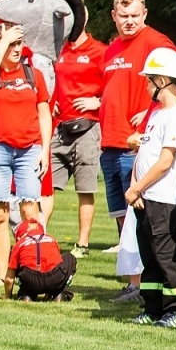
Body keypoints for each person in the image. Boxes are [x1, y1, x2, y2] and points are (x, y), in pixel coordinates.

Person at [98, 0, 176, 303]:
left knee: (141, 219)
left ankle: (146, 284)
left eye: (135, 15)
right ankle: (135, 281)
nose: (129, 21)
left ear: (145, 14)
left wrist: (151, 110)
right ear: (114, 16)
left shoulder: (156, 42)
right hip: (110, 142)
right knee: (123, 218)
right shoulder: (111, 49)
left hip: (137, 145)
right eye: (123, 16)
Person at [0, 22, 53, 292]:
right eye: (10, 44)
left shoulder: (34, 75)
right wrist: (4, 39)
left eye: (19, 43)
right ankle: (2, 275)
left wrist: (45, 149)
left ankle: (32, 268)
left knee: (30, 212)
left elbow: (44, 114)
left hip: (29, 149)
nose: (16, 48)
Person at [123, 49, 176, 329]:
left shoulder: (175, 115)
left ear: (162, 81)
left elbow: (165, 161)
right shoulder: (156, 114)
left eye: (149, 80)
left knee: (168, 256)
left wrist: (138, 187)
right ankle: (152, 307)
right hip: (146, 196)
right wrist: (136, 188)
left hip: (164, 198)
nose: (146, 86)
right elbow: (144, 154)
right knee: (149, 254)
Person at [49, 19, 108, 254]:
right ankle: (39, 238)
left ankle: (82, 244)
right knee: (46, 185)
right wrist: (52, 101)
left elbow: (114, 84)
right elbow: (53, 81)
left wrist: (98, 101)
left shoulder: (100, 50)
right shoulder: (58, 49)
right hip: (60, 126)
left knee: (85, 188)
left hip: (88, 127)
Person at [7, 200, 77, 301]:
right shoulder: (50, 238)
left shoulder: (19, 244)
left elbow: (9, 279)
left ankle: (26, 295)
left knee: (19, 264)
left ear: (19, 236)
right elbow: (57, 261)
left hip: (30, 280)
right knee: (70, 258)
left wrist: (8, 296)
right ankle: (60, 293)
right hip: (55, 277)